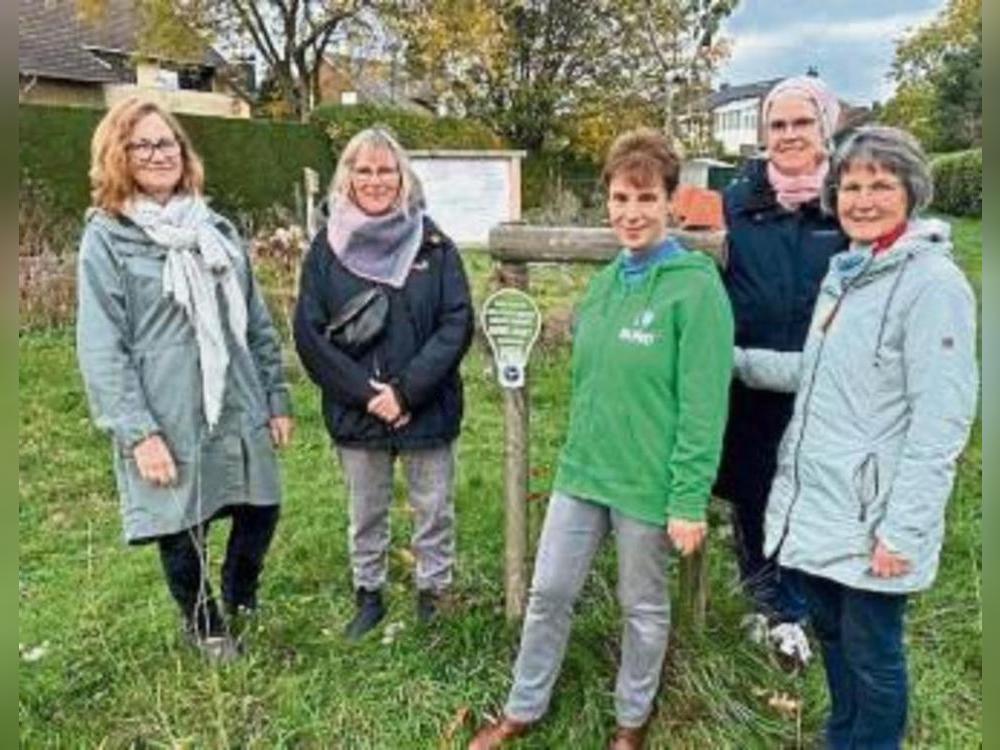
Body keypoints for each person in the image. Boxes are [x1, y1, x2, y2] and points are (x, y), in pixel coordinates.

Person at [469, 128, 733, 750]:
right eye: (620, 198)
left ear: (671, 201)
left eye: (645, 198)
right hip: (583, 471)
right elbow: (591, 384)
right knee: (549, 591)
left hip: (647, 482)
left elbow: (704, 405)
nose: (631, 213)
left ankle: (630, 721)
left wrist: (689, 499)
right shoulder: (607, 282)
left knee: (641, 609)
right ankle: (523, 707)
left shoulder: (695, 288)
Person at [734, 125, 978, 749]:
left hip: (874, 516)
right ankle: (840, 738)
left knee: (874, 654)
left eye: (880, 185)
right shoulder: (851, 272)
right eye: (851, 186)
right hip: (825, 502)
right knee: (835, 638)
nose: (863, 200)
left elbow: (942, 418)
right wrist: (732, 360)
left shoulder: (932, 285)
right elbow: (818, 370)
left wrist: (905, 528)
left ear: (912, 192)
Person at [76, 97, 294, 661]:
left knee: (261, 504)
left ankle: (240, 591)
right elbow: (102, 345)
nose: (157, 154)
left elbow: (255, 319)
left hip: (238, 394)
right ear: (118, 155)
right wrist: (138, 432)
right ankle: (205, 624)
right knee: (180, 522)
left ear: (184, 152)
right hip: (165, 404)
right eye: (142, 144)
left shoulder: (214, 227)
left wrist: (276, 394)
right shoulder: (107, 237)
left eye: (166, 142)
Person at [293, 127, 474, 641]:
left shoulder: (435, 246)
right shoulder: (325, 251)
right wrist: (369, 395)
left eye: (385, 170)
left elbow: (455, 322)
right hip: (358, 411)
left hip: (426, 406)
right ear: (347, 178)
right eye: (363, 170)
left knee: (434, 508)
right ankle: (368, 594)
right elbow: (309, 335)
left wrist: (406, 391)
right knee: (365, 511)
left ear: (403, 176)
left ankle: (433, 594)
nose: (375, 180)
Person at [713, 75, 850, 664]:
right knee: (754, 486)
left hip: (829, 381)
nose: (789, 135)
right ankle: (772, 602)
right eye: (778, 125)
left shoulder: (849, 198)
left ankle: (823, 592)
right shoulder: (738, 201)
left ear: (826, 127)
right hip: (750, 376)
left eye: (802, 123)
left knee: (819, 487)